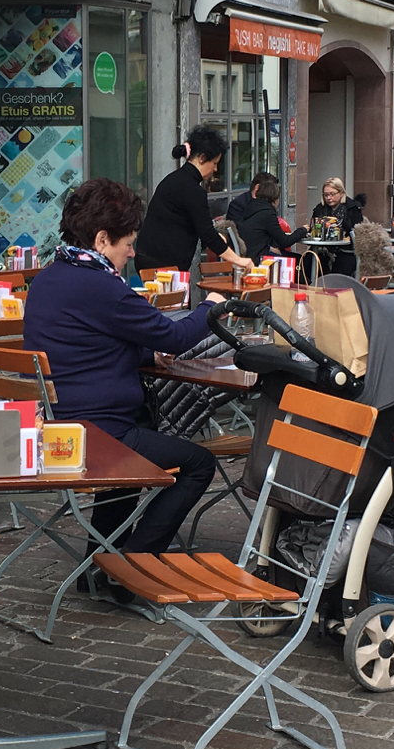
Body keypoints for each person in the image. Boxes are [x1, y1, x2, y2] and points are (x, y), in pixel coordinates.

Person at [24, 179, 227, 581]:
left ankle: (98, 568)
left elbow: (85, 345)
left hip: (60, 428)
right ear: (102, 240)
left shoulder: (48, 278)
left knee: (132, 461)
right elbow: (174, 336)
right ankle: (130, 567)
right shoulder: (101, 286)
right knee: (199, 464)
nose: (132, 252)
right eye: (128, 243)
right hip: (99, 433)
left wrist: (144, 354)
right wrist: (211, 307)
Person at [136, 126, 253, 276]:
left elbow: (195, 225)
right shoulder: (192, 190)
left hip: (150, 257)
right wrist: (239, 260)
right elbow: (208, 235)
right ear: (202, 158)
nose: (215, 169)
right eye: (214, 163)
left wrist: (217, 237)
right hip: (162, 263)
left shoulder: (175, 179)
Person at [231, 174, 306, 260]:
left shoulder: (252, 206)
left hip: (252, 253)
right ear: (274, 199)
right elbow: (284, 241)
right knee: (302, 261)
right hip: (258, 258)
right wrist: (303, 230)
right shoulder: (267, 213)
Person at [309, 176, 364, 276]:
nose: (329, 198)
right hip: (322, 249)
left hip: (346, 251)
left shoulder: (353, 208)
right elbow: (313, 227)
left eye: (332, 194)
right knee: (307, 263)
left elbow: (357, 232)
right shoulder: (320, 208)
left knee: (340, 270)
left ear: (341, 193)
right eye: (326, 195)